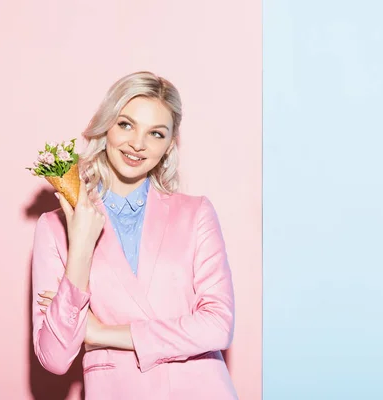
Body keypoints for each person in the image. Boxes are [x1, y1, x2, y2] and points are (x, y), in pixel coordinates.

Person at [31, 71, 238, 399]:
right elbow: (55, 357)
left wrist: (103, 333)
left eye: (155, 133)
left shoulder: (196, 213)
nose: (138, 144)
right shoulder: (54, 228)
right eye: (126, 124)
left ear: (169, 144)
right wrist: (81, 247)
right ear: (106, 126)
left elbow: (218, 327)